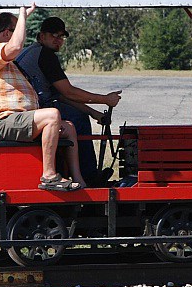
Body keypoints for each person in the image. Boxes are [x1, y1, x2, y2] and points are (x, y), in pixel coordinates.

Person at [0, 6, 85, 192]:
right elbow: (15, 46)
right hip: (2, 121)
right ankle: (49, 175)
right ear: (6, 32)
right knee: (52, 115)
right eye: (17, 28)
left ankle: (79, 180)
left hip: (16, 119)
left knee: (69, 128)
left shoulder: (6, 62)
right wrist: (23, 17)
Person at [15, 16, 122, 186]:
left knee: (79, 114)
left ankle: (76, 172)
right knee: (78, 119)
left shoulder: (32, 51)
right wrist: (105, 100)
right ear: (42, 36)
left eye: (61, 37)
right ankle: (88, 176)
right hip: (33, 110)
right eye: (54, 36)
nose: (58, 41)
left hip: (30, 108)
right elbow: (69, 92)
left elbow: (61, 95)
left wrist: (94, 113)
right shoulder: (45, 55)